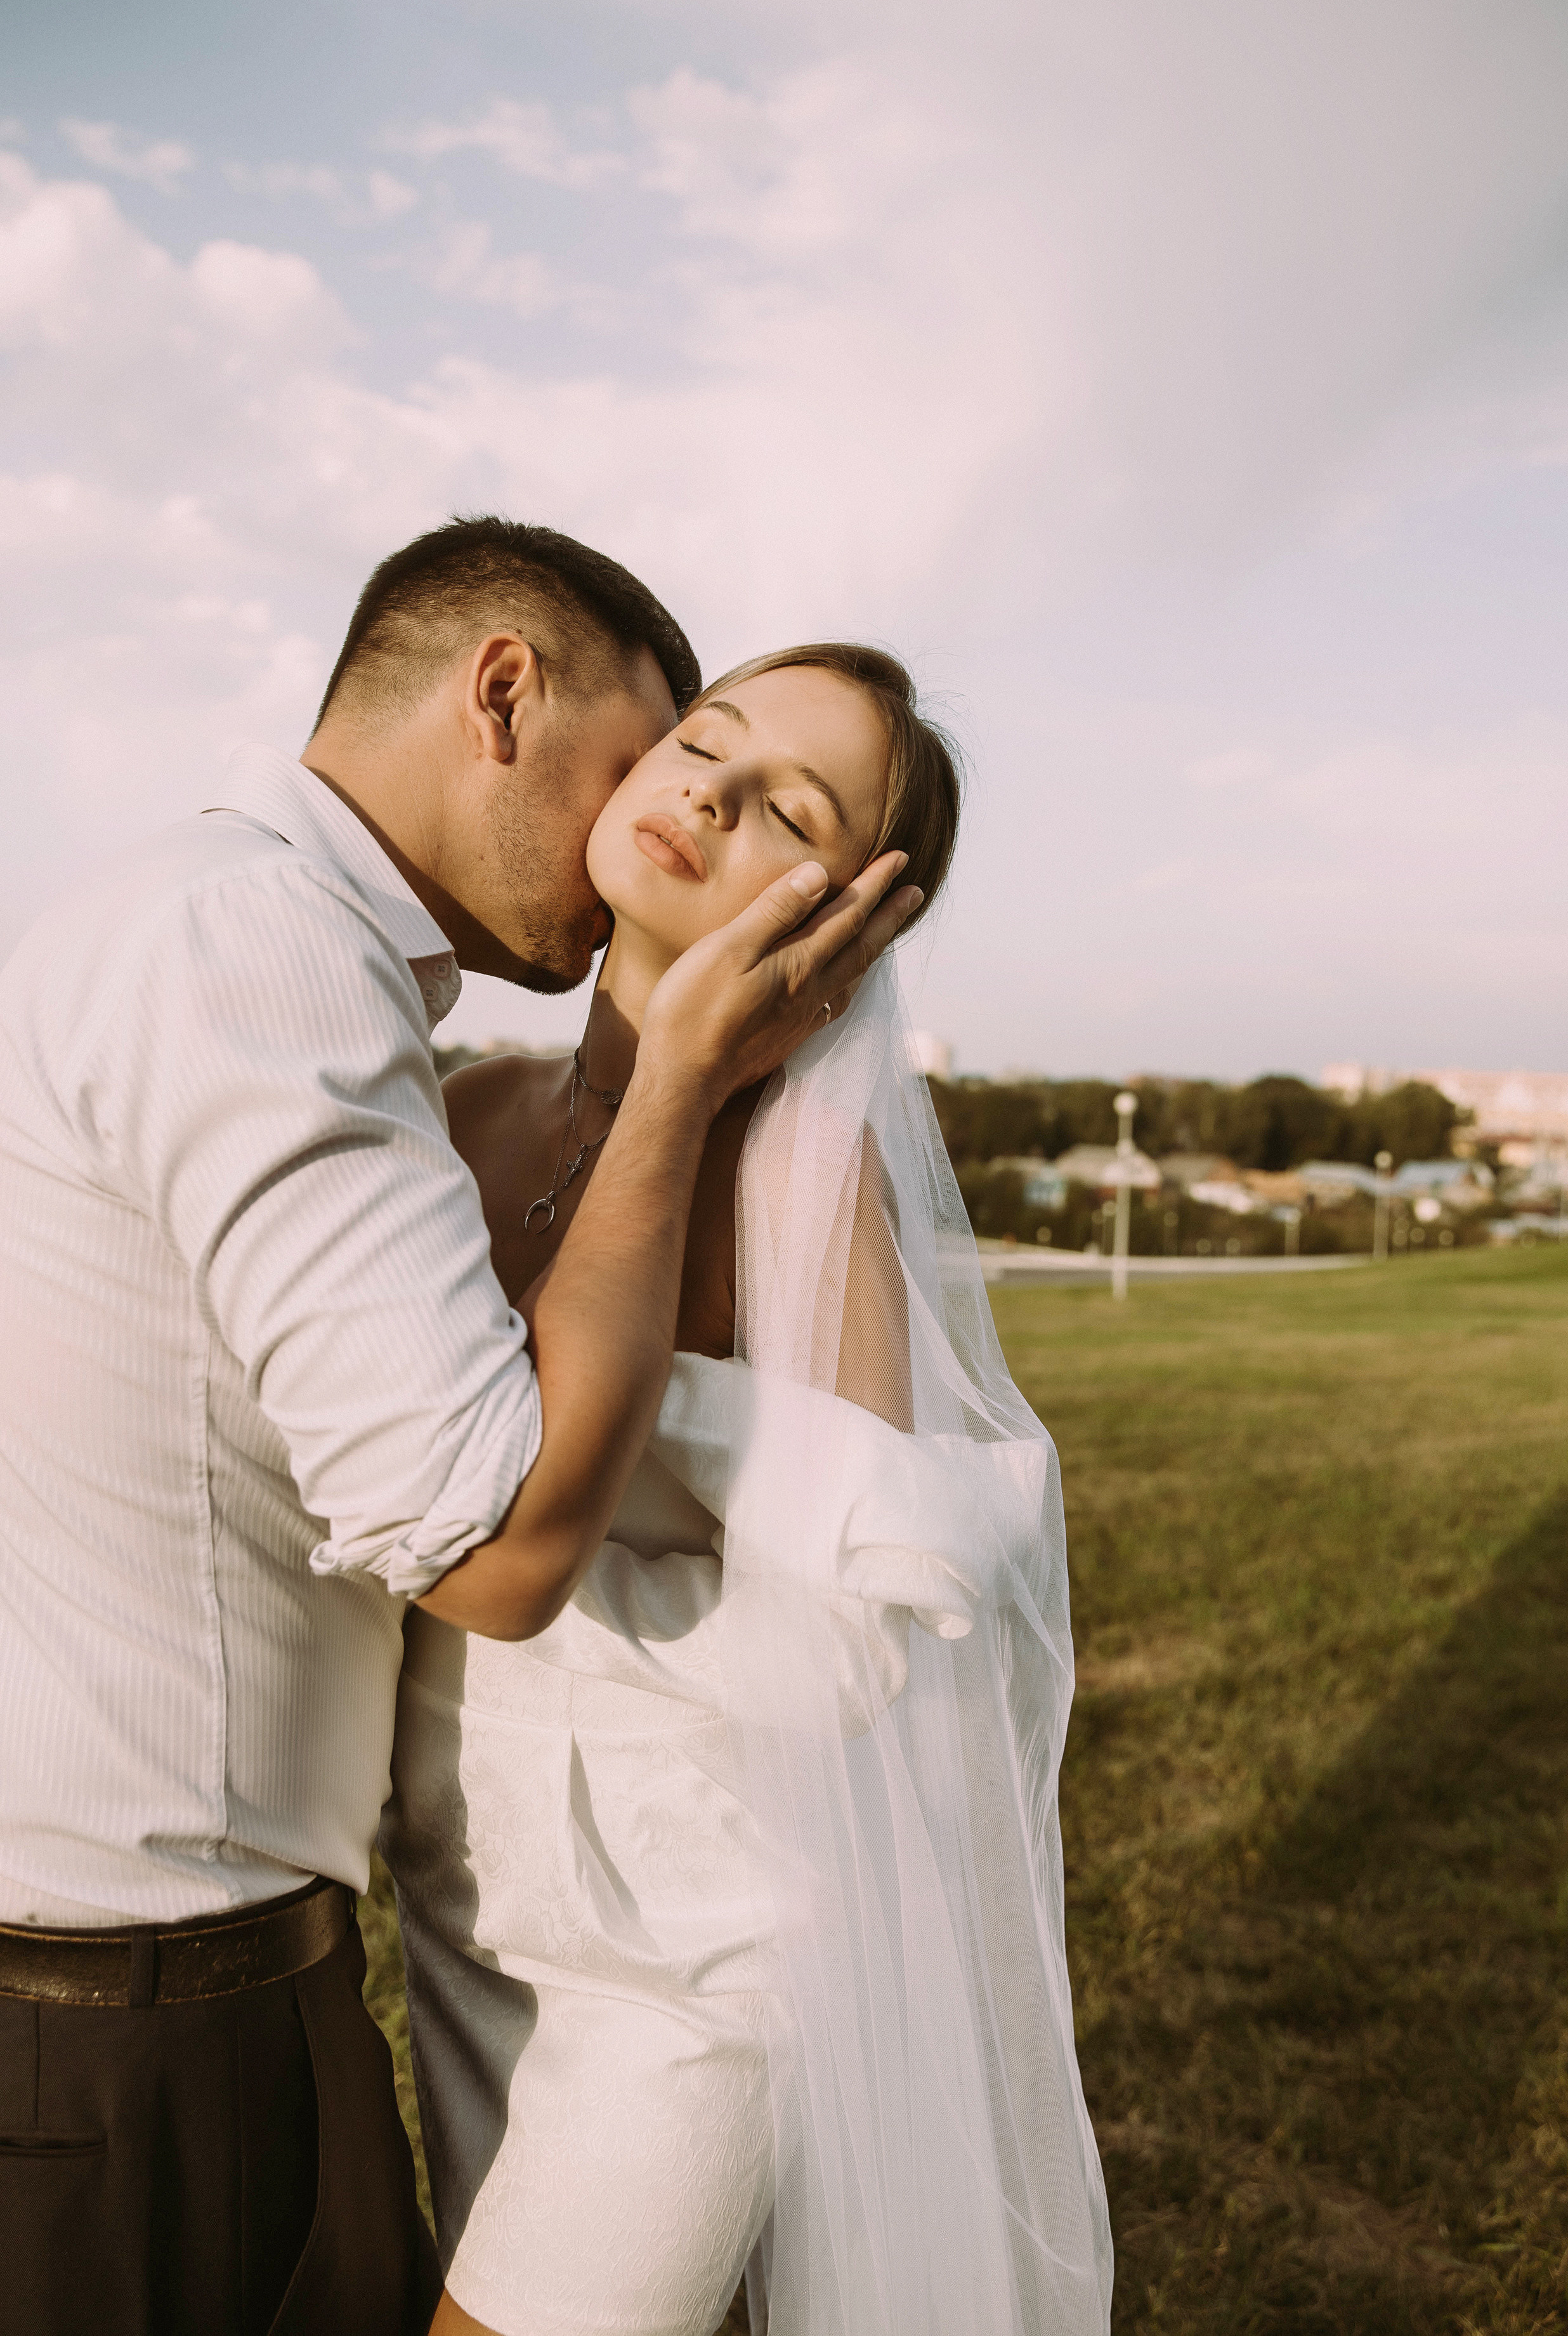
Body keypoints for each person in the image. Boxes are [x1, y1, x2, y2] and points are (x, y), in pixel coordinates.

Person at [0, 525, 917, 2336]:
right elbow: (490, 1542)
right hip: (133, 2012)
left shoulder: (276, 966)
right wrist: (663, 1085)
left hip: (509, 1967)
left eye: (769, 804)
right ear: (502, 692)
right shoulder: (255, 955)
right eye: (670, 750)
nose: (657, 813)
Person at [382, 646, 1113, 2336]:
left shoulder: (805, 1187)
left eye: (789, 801)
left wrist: (522, 1516)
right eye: (703, 739)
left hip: (694, 1969)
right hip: (469, 1917)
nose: (708, 786)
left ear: (850, 922)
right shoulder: (460, 1113)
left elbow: (841, 1656)